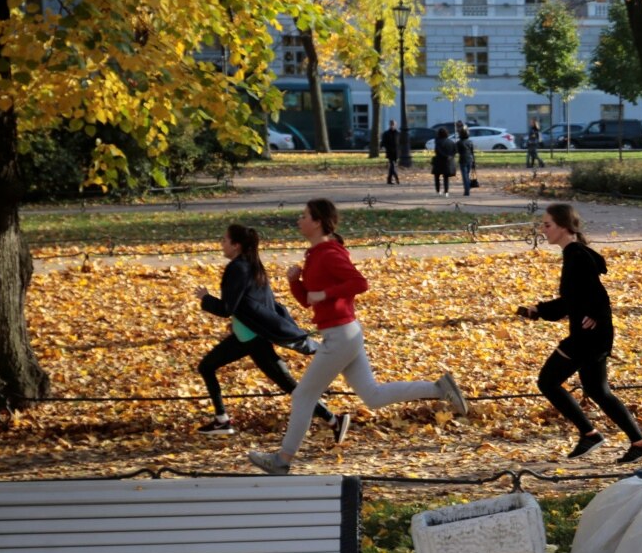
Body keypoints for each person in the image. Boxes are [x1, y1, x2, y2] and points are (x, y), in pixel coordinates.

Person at [247, 199, 468, 475]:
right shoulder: (314, 254)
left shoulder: (329, 253)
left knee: (303, 396)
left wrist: (325, 294)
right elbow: (307, 301)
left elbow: (359, 283)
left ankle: (282, 460)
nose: (299, 220)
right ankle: (438, 388)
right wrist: (295, 282)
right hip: (343, 333)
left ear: (317, 222)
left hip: (341, 336)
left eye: (303, 216)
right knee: (372, 396)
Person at [516, 203, 642, 464]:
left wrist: (597, 314)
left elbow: (598, 294)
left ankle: (590, 434)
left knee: (548, 381)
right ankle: (640, 443)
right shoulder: (574, 253)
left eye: (547, 225)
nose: (543, 230)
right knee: (597, 390)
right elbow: (573, 299)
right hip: (592, 335)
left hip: (587, 338)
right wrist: (539, 310)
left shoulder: (577, 255)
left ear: (565, 228)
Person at [194, 224, 349, 441]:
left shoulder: (237, 268)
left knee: (287, 385)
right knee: (208, 367)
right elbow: (252, 303)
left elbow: (226, 308)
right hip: (248, 335)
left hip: (252, 338)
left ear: (236, 245)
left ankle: (223, 419)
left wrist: (205, 298)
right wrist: (238, 322)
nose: (222, 243)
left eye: (225, 240)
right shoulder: (251, 265)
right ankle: (222, 419)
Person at [431, 127, 457, 197]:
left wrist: (444, 155)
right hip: (447, 162)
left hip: (439, 161)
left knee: (437, 177)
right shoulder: (451, 142)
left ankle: (438, 190)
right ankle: (446, 191)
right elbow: (455, 151)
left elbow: (437, 151)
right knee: (446, 177)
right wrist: (450, 156)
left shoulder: (438, 142)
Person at [456, 126, 475, 197]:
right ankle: (468, 187)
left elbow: (456, 151)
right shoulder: (470, 142)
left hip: (463, 160)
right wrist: (474, 162)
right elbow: (472, 152)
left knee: (465, 176)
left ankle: (467, 190)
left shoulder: (459, 143)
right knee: (467, 174)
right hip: (470, 159)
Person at [381, 119, 400, 185]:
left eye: (393, 124)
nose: (392, 126)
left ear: (395, 125)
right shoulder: (386, 133)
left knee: (392, 167)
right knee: (392, 166)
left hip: (396, 152)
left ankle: (389, 180)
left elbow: (400, 143)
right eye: (391, 124)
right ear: (390, 125)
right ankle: (397, 178)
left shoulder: (398, 133)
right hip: (389, 152)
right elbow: (383, 142)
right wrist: (383, 147)